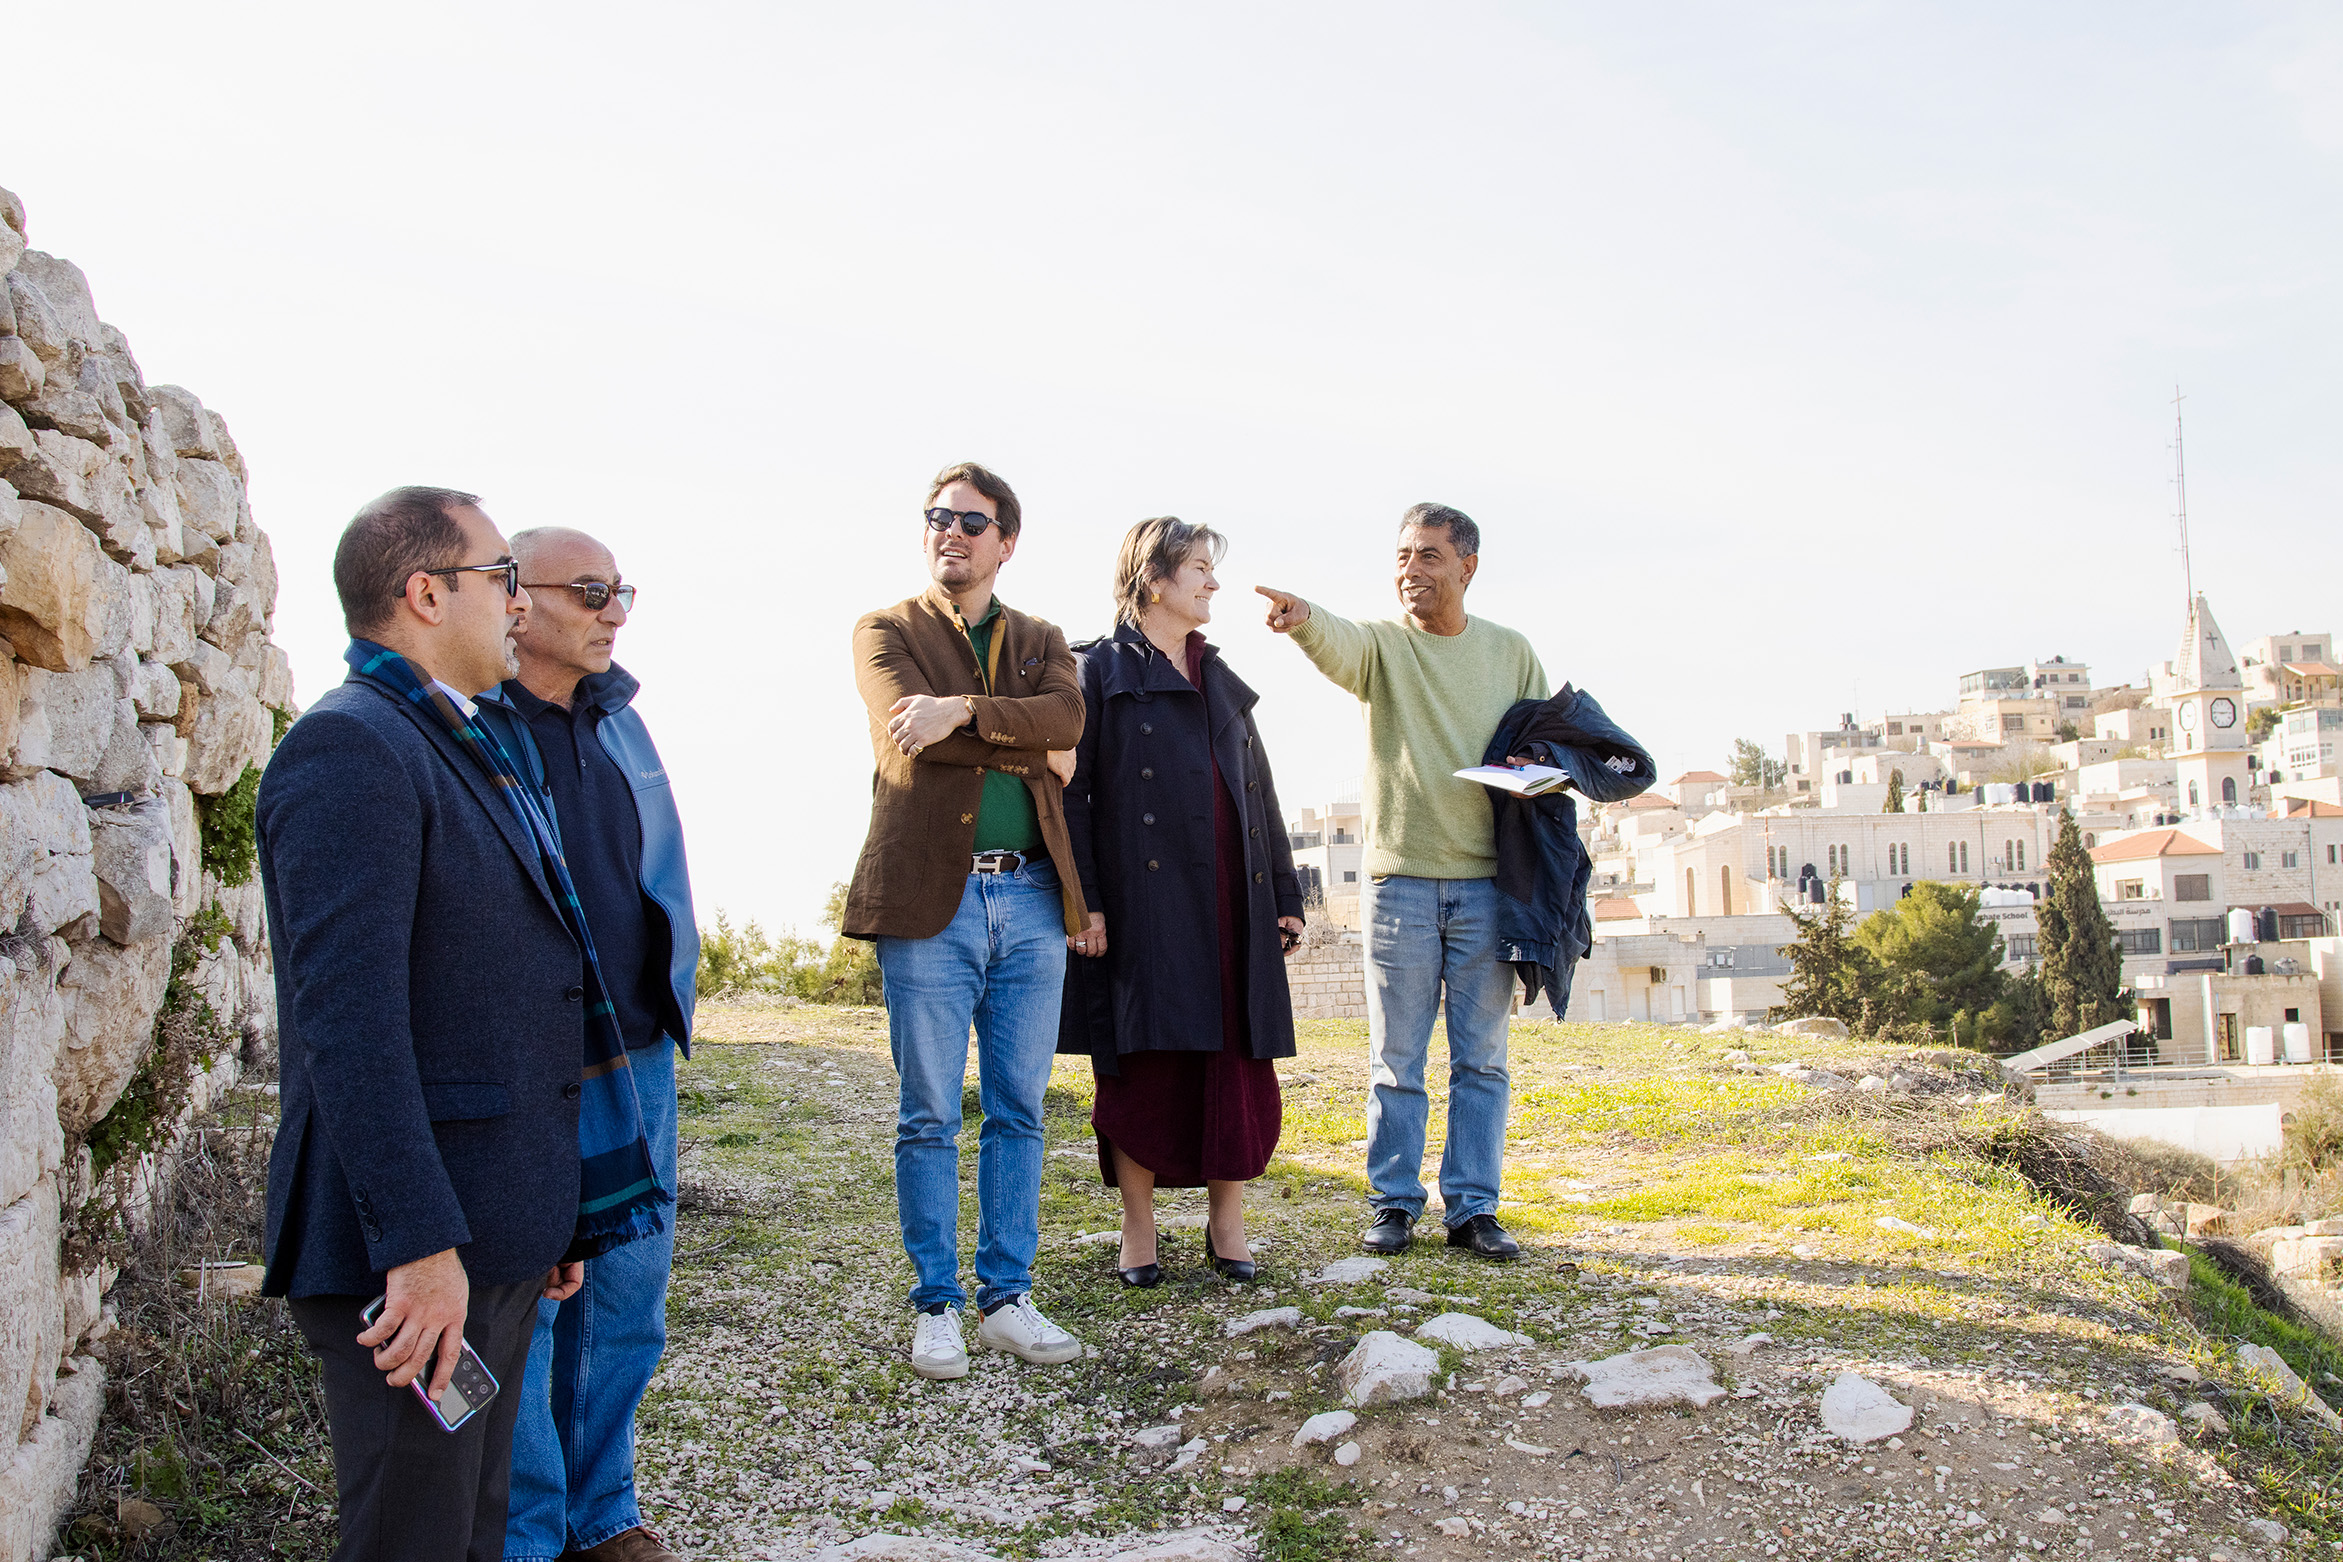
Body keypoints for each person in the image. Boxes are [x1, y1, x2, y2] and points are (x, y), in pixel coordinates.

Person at [259, 487, 667, 1560]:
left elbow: (509, 991)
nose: (515, 606)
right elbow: (348, 1027)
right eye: (500, 579)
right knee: (415, 1533)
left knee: (471, 1528)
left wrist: (549, 1216)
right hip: (415, 1255)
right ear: (425, 592)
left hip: (492, 1224)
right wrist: (420, 1243)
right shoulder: (350, 749)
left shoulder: (461, 744)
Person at [842, 461, 1093, 1378]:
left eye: (971, 522)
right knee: (928, 1112)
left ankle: (1007, 1297)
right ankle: (935, 1303)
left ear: (1005, 540)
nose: (951, 532)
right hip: (927, 901)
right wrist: (1025, 748)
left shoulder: (1041, 635)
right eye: (937, 518)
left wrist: (965, 713)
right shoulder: (884, 629)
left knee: (1021, 1108)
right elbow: (910, 726)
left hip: (1029, 893)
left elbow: (1070, 715)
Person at [476, 529, 697, 1562]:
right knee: (530, 1303)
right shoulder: (473, 728)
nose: (615, 613)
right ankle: (527, 1530)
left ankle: (600, 1513)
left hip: (638, 1051)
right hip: (532, 1063)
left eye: (623, 593)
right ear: (516, 599)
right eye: (594, 591)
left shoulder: (623, 721)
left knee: (626, 1305)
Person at [1256, 503, 1547, 1261]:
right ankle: (1392, 1202)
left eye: (1427, 557)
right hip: (1398, 888)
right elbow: (1341, 643)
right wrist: (1304, 617)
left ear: (1466, 567)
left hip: (1487, 886)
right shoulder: (1382, 648)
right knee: (1396, 1059)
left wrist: (1531, 769)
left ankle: (1474, 1209)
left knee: (1481, 1057)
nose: (1409, 571)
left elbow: (1547, 742)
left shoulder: (1511, 652)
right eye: (1401, 558)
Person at [1057, 518, 1305, 1286]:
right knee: (1140, 1064)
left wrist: (1286, 894)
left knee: (1232, 1061)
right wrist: (1084, 905)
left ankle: (1225, 1225)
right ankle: (1138, 1229)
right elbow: (1072, 799)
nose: (1212, 581)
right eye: (1198, 567)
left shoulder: (1219, 675)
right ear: (1154, 578)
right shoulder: (1094, 672)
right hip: (1140, 906)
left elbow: (1257, 789)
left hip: (1230, 900)